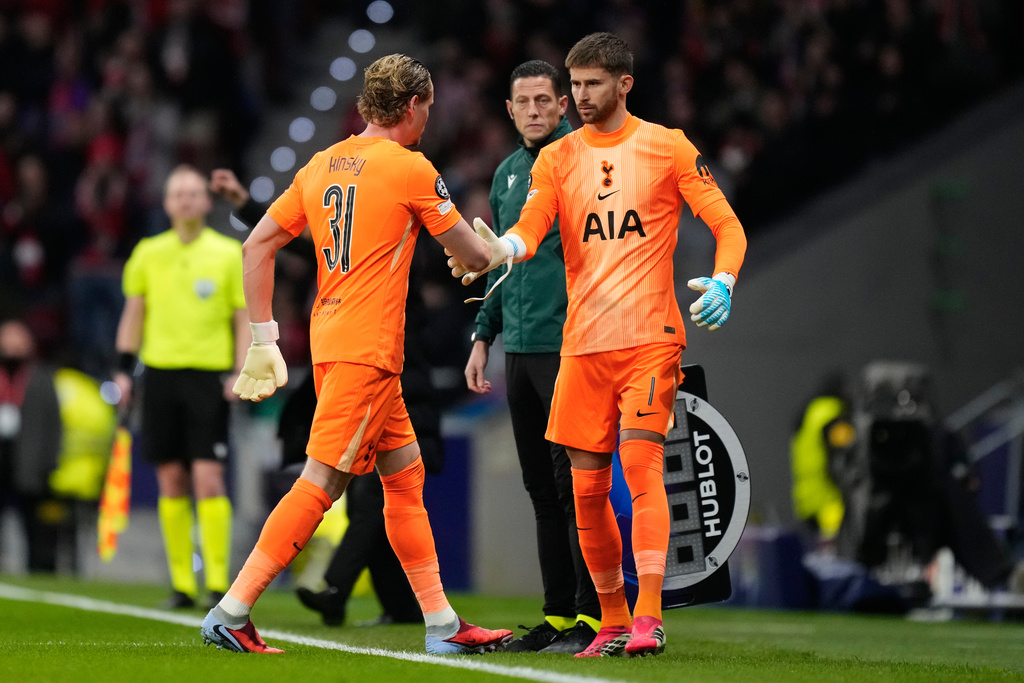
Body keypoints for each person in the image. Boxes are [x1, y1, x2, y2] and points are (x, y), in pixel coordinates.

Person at [200, 53, 513, 655]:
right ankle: (232, 611)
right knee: (323, 481)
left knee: (404, 478)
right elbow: (474, 258)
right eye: (428, 108)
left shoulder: (321, 164)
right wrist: (495, 251)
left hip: (338, 341)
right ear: (416, 104)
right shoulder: (410, 167)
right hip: (369, 349)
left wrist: (265, 336)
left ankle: (442, 625)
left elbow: (258, 244)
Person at [449, 33, 747, 657]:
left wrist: (723, 280)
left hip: (648, 339)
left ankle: (648, 618)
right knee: (582, 491)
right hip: (581, 347)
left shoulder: (665, 147)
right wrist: (501, 250)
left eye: (591, 85)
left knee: (639, 472)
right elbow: (530, 227)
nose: (580, 97)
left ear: (624, 84)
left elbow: (726, 225)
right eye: (575, 84)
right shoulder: (556, 160)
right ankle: (609, 621)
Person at [209, 168, 429, 628]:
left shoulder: (388, 237)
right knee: (351, 490)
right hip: (366, 363)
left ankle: (429, 616)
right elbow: (293, 242)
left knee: (387, 488)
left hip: (381, 368)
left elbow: (285, 241)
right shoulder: (383, 227)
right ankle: (235, 609)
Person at [463, 59, 600, 654]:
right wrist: (482, 336)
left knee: (579, 488)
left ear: (563, 106)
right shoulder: (506, 174)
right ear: (511, 110)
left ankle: (598, 617)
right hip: (517, 350)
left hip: (569, 346)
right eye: (526, 102)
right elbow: (500, 264)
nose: (537, 110)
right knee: (542, 490)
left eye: (546, 100)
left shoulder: (586, 162)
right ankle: (561, 617)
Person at [113, 165, 248, 609]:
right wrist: (123, 368)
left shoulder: (228, 253)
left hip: (209, 378)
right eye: (178, 194)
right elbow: (135, 312)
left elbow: (241, 317)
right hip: (161, 375)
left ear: (207, 202)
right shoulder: (148, 253)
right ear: (168, 203)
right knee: (171, 479)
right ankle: (181, 584)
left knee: (208, 478)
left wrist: (239, 369)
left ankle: (216, 579)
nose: (187, 200)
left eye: (194, 193)